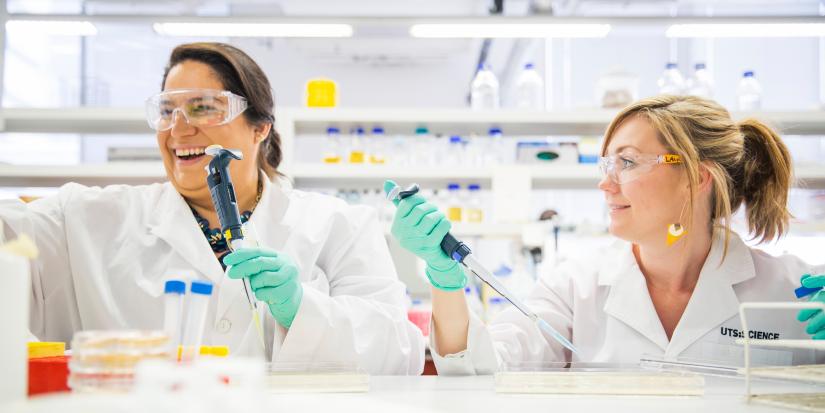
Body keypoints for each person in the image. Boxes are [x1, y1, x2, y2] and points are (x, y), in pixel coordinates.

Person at [1, 42, 424, 374]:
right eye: (166, 111)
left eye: (204, 107)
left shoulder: (337, 224)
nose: (178, 128)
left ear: (260, 128)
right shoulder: (87, 218)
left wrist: (301, 309)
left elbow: (397, 353)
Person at [387, 95, 825, 374]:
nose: (605, 183)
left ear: (697, 177)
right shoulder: (574, 288)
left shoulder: (796, 294)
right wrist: (445, 279)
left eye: (628, 162)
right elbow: (482, 369)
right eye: (606, 165)